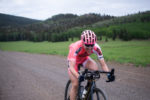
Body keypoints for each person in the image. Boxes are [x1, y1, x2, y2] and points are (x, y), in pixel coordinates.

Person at [67, 30, 115, 100]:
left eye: (92, 45)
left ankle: (87, 91)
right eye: (87, 46)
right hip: (74, 61)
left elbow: (103, 64)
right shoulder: (76, 47)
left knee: (95, 68)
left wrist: (108, 75)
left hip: (84, 59)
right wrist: (78, 76)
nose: (90, 48)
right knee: (75, 84)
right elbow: (71, 67)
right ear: (82, 43)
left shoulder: (97, 48)